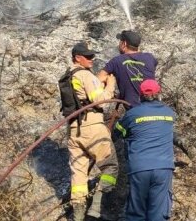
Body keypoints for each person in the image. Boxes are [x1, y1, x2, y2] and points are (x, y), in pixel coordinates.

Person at [64, 42, 119, 221]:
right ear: (77, 58)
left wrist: (97, 82)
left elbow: (82, 97)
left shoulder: (69, 76)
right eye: (87, 57)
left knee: (78, 176)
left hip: (74, 131)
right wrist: (110, 85)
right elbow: (99, 100)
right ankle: (96, 209)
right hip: (93, 128)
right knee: (110, 167)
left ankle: (78, 216)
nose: (91, 59)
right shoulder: (85, 75)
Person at [114, 79, 176, 221]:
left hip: (139, 168)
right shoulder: (169, 113)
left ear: (140, 95)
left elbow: (117, 133)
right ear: (158, 93)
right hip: (163, 168)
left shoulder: (132, 114)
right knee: (159, 212)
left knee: (136, 212)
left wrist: (120, 123)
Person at [97, 30, 157, 108]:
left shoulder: (116, 61)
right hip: (153, 107)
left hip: (133, 110)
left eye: (120, 41)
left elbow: (99, 78)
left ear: (124, 44)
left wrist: (110, 80)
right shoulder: (150, 58)